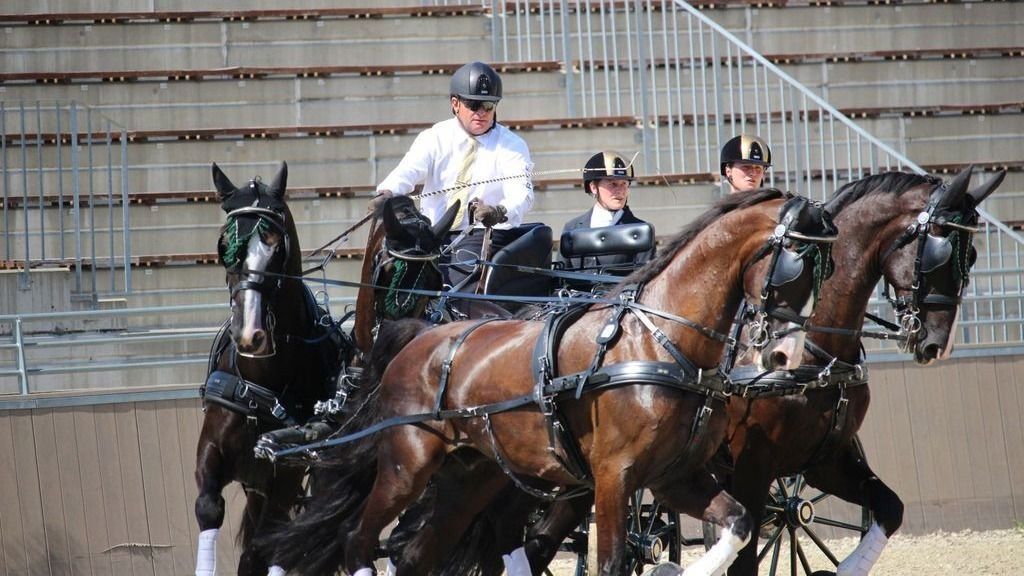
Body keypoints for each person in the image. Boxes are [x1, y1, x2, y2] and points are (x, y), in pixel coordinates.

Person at [369, 61, 534, 288]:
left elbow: (522, 195)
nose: (482, 112)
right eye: (473, 104)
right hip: (431, 235)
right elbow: (408, 170)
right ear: (455, 104)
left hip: (479, 235)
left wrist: (499, 210)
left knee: (453, 293)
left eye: (489, 105)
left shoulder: (513, 145)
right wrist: (387, 192)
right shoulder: (434, 137)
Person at [560, 151, 655, 273]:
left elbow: (645, 279)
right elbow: (561, 277)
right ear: (593, 187)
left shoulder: (642, 231)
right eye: (613, 184)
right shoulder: (572, 227)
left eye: (624, 184)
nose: (620, 191)